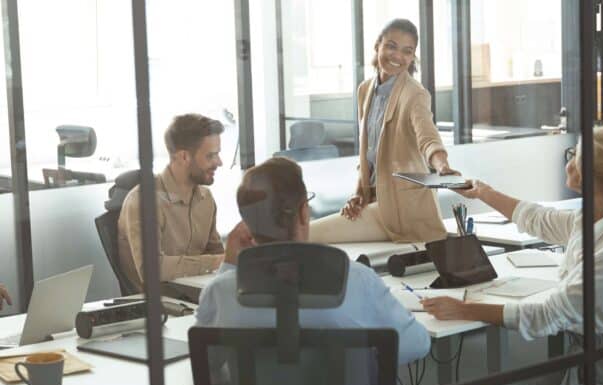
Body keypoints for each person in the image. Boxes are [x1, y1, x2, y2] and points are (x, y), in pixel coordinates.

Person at [422, 127, 603, 385]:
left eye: (574, 157)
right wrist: (482, 191)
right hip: (590, 367)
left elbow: (547, 315)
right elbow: (538, 218)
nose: (567, 163)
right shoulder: (595, 219)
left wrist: (465, 309)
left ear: (589, 177)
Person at [197, 156, 429, 363]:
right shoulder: (355, 279)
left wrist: (229, 267)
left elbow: (209, 362)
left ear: (246, 224)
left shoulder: (221, 291)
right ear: (303, 213)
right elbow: (417, 344)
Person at [309, 18, 458, 244]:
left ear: (412, 57)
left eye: (407, 51)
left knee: (309, 234)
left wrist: (442, 166)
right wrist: (359, 194)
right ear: (377, 45)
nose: (398, 56)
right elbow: (370, 154)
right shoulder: (365, 90)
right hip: (375, 202)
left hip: (404, 209)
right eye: (391, 46)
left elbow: (428, 138)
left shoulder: (415, 94)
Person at [118, 113, 225, 293]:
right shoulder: (144, 202)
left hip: (199, 296)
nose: (219, 162)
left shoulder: (206, 199)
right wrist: (216, 262)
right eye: (210, 156)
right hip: (160, 308)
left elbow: (216, 254)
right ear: (184, 157)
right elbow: (152, 268)